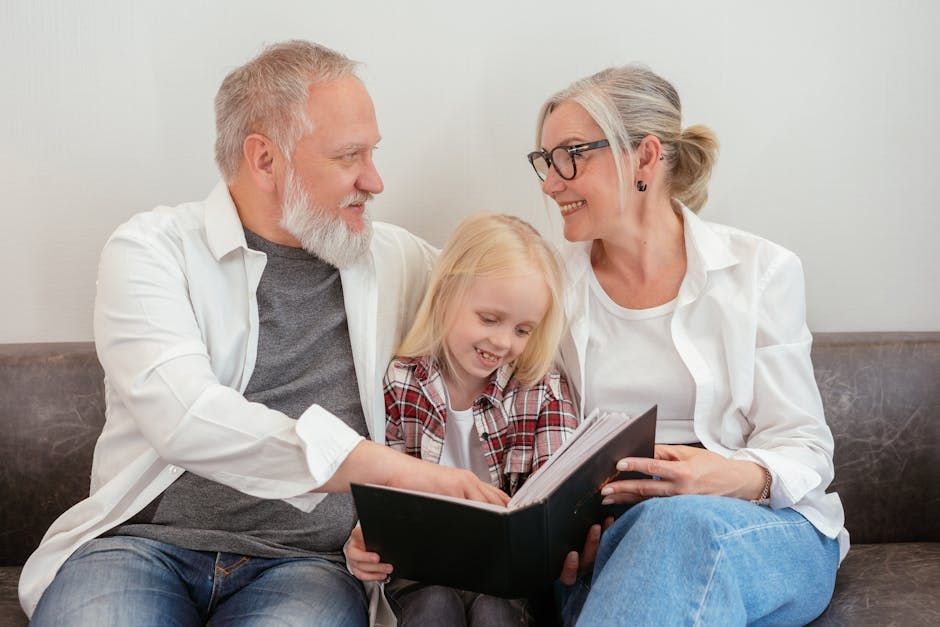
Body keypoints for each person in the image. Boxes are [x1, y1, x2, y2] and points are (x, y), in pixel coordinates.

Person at [19, 40, 506, 626]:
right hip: (141, 545)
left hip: (309, 565)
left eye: (373, 153)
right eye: (350, 155)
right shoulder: (152, 250)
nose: (374, 180)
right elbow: (185, 417)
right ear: (265, 159)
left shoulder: (391, 259)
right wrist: (396, 470)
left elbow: (525, 303)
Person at [526, 65, 847, 625]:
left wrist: (726, 476)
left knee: (678, 526)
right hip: (615, 541)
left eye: (571, 155)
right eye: (546, 161)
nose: (552, 183)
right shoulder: (547, 283)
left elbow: (804, 446)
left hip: (755, 528)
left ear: (646, 158)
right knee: (654, 543)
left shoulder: (759, 272)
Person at [345, 212, 580, 626]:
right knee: (433, 606)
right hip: (423, 571)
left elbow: (557, 502)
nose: (503, 342)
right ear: (447, 294)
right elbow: (381, 490)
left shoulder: (541, 389)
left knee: (495, 610)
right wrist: (363, 541)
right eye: (489, 319)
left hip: (509, 579)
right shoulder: (402, 382)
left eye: (523, 330)